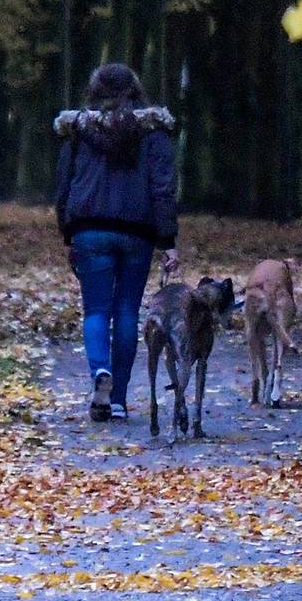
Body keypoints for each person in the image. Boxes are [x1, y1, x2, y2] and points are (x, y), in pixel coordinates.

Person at [53, 63, 179, 421]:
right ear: (135, 92)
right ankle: (120, 398)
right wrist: (168, 241)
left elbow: (64, 183)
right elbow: (163, 187)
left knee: (95, 310)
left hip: (89, 228)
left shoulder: (78, 131)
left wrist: (67, 229)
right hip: (137, 231)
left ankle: (99, 374)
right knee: (126, 311)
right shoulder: (154, 133)